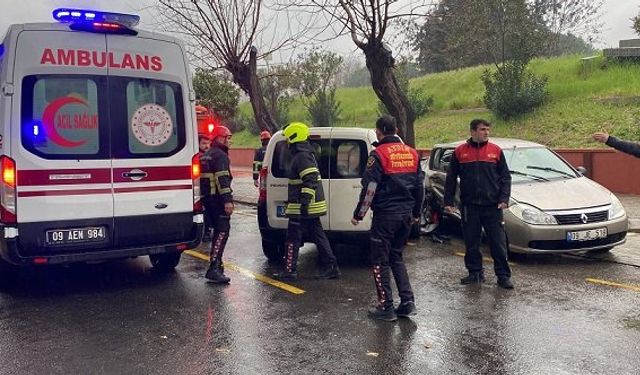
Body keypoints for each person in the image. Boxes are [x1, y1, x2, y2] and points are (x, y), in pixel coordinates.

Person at [351, 115, 424, 322]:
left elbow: (370, 188)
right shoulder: (412, 153)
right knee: (396, 257)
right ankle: (408, 302)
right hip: (406, 216)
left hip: (385, 216)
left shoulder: (378, 155)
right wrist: (417, 214)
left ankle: (386, 306)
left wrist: (359, 214)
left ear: (380, 131)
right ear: (397, 131)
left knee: (380, 261)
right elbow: (420, 187)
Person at [443, 119, 514, 289]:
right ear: (472, 132)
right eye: (483, 129)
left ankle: (503, 276)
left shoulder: (495, 151)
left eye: (488, 129)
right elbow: (451, 178)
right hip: (470, 206)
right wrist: (448, 201)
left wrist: (504, 199)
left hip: (493, 206)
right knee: (471, 242)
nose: (486, 133)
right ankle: (475, 273)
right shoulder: (460, 152)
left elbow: (505, 178)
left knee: (497, 242)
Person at [273, 122, 340, 281]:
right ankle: (331, 266)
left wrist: (304, 203)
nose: (287, 142)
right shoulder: (306, 154)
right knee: (317, 235)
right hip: (306, 206)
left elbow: (310, 180)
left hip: (302, 207)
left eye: (288, 138)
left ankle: (290, 270)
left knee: (292, 238)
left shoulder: (301, 156)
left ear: (294, 137)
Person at [201, 126, 234, 284]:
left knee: (217, 232)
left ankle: (218, 265)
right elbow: (223, 179)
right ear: (219, 138)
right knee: (222, 232)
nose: (228, 141)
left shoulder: (206, 155)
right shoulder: (220, 156)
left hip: (208, 199)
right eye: (226, 137)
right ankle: (214, 268)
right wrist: (227, 200)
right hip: (218, 200)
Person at [198, 134, 213, 242]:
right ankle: (205, 233)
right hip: (200, 190)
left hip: (209, 190)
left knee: (208, 212)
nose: (206, 146)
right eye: (204, 143)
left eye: (208, 143)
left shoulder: (212, 156)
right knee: (204, 212)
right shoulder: (197, 157)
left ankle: (207, 231)